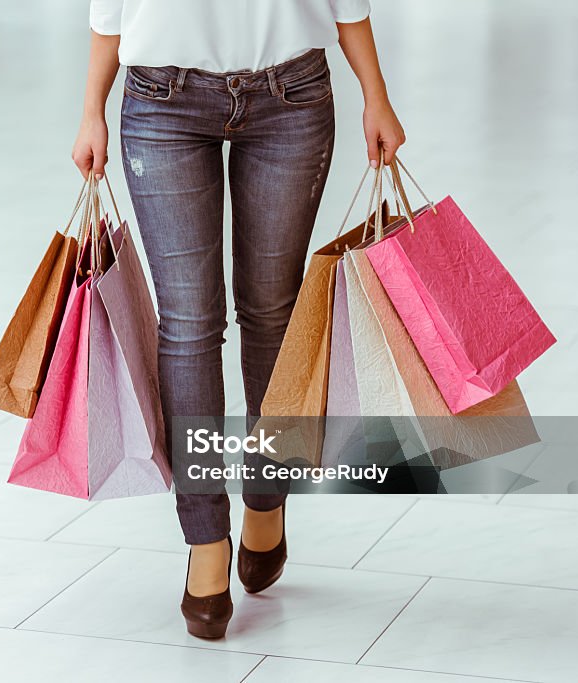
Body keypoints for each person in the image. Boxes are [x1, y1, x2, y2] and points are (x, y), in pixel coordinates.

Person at [72, 0, 406, 639]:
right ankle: (205, 539)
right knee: (190, 325)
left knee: (272, 315)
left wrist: (376, 94)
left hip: (292, 96)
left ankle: (266, 496)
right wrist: (92, 107)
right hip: (162, 100)